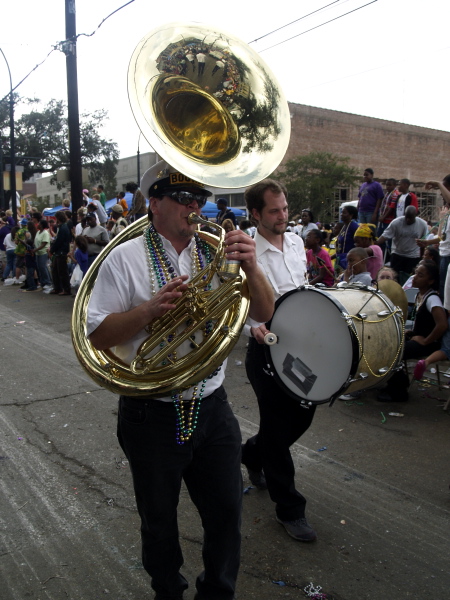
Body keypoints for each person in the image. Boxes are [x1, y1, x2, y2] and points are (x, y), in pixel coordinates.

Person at [86, 160, 274, 600]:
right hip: (151, 412)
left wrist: (253, 267)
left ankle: (217, 592)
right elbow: (97, 334)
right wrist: (149, 311)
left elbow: (264, 312)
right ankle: (167, 591)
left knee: (228, 513)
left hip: (212, 405)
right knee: (159, 523)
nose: (195, 207)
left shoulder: (216, 251)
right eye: (183, 198)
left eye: (200, 199)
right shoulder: (124, 257)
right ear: (154, 203)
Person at [240, 178, 318, 543]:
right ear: (255, 213)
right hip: (267, 350)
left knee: (303, 414)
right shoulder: (243, 249)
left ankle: (252, 453)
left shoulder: (298, 241)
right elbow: (236, 304)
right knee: (275, 424)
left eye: (284, 208)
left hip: (301, 346)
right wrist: (253, 326)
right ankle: (290, 509)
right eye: (274, 210)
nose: (283, 215)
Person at [378, 261, 447, 402]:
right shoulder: (420, 295)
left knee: (394, 351)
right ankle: (394, 383)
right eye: (415, 273)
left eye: (420, 275)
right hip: (419, 339)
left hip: (430, 344)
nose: (415, 277)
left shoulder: (432, 298)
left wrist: (426, 341)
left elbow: (442, 324)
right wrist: (411, 332)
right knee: (388, 343)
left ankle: (399, 391)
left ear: (431, 281)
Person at [416, 175, 450, 299]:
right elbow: (443, 237)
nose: (441, 194)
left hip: (448, 257)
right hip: (444, 255)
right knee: (443, 291)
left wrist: (438, 184)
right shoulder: (447, 212)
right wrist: (427, 242)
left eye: (444, 189)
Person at [376, 206, 428, 284]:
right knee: (394, 278)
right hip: (397, 254)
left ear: (415, 216)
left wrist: (421, 258)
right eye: (406, 217)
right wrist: (375, 243)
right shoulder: (396, 223)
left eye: (410, 218)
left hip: (413, 256)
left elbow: (423, 243)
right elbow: (385, 236)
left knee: (409, 279)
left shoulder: (422, 224)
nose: (408, 220)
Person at [49, 211, 72, 296]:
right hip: (60, 251)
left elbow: (59, 241)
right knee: (56, 270)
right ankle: (58, 288)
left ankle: (65, 289)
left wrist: (52, 249)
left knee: (62, 271)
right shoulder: (63, 227)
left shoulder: (63, 228)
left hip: (61, 252)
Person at [335, 204, 358, 271]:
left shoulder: (354, 226)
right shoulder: (344, 226)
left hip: (348, 260)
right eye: (341, 212)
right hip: (340, 258)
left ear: (351, 215)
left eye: (344, 213)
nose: (341, 214)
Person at [33, 220, 52, 291]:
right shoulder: (38, 232)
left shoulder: (45, 233)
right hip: (37, 253)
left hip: (43, 252)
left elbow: (44, 243)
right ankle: (42, 282)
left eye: (39, 224)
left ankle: (48, 282)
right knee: (39, 268)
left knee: (43, 267)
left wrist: (36, 249)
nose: (38, 225)